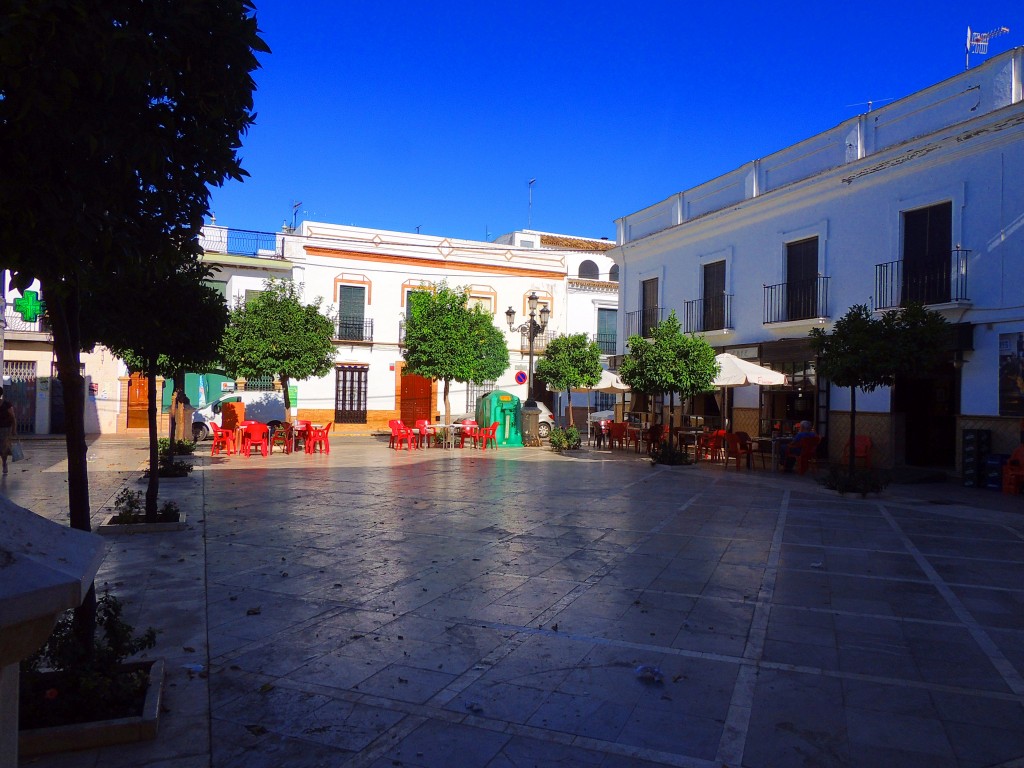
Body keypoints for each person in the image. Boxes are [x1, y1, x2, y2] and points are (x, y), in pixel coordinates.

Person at [0, 387, 17, 474]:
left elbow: (13, 417)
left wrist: (14, 429)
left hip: (5, 429)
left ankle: (4, 463)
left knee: (4, 448)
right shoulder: (7, 404)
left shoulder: (7, 404)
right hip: (5, 428)